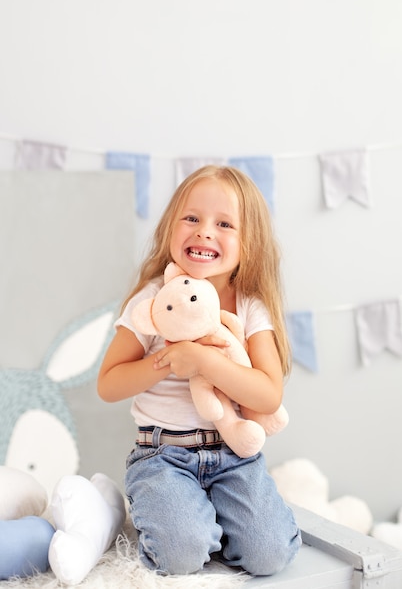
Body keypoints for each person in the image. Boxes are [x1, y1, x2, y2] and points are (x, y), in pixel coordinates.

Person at [97, 165, 301, 576]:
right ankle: (177, 518)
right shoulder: (154, 301)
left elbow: (267, 395)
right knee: (181, 555)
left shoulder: (249, 306)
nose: (205, 232)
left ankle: (213, 518)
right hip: (162, 455)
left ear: (250, 243)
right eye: (191, 218)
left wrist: (206, 360)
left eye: (224, 224)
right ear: (171, 228)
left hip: (233, 455)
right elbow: (108, 383)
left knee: (270, 555)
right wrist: (168, 360)